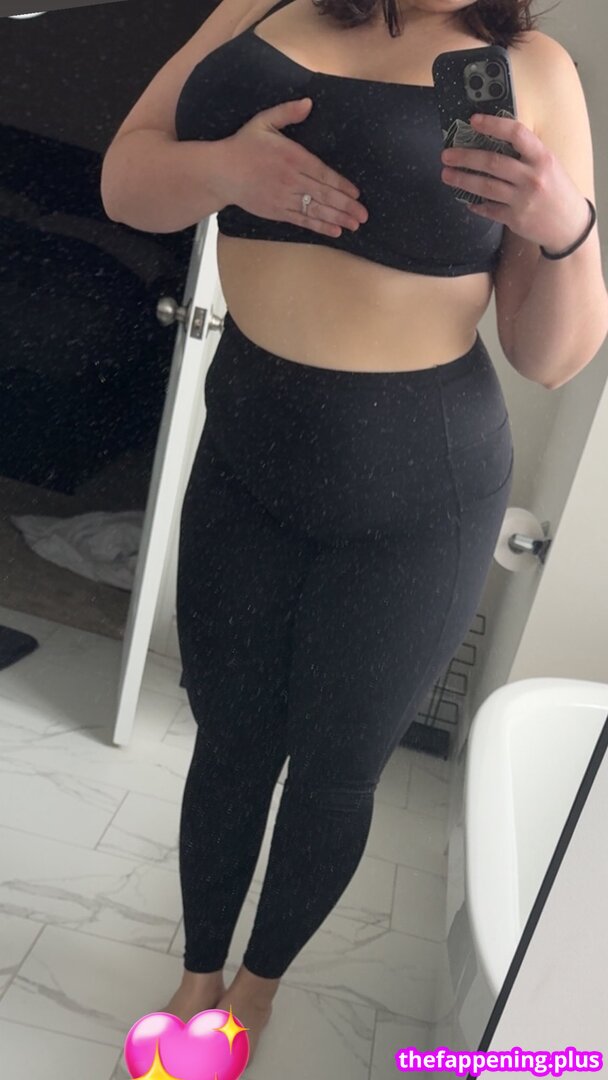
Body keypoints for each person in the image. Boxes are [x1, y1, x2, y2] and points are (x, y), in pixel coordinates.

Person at [101, 0, 607, 1063]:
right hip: (246, 454)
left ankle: (256, 990)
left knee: (334, 771)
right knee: (228, 742)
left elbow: (549, 358)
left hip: (418, 496)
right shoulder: (257, 7)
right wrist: (226, 173)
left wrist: (564, 225)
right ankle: (197, 975)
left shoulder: (530, 66)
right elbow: (128, 182)